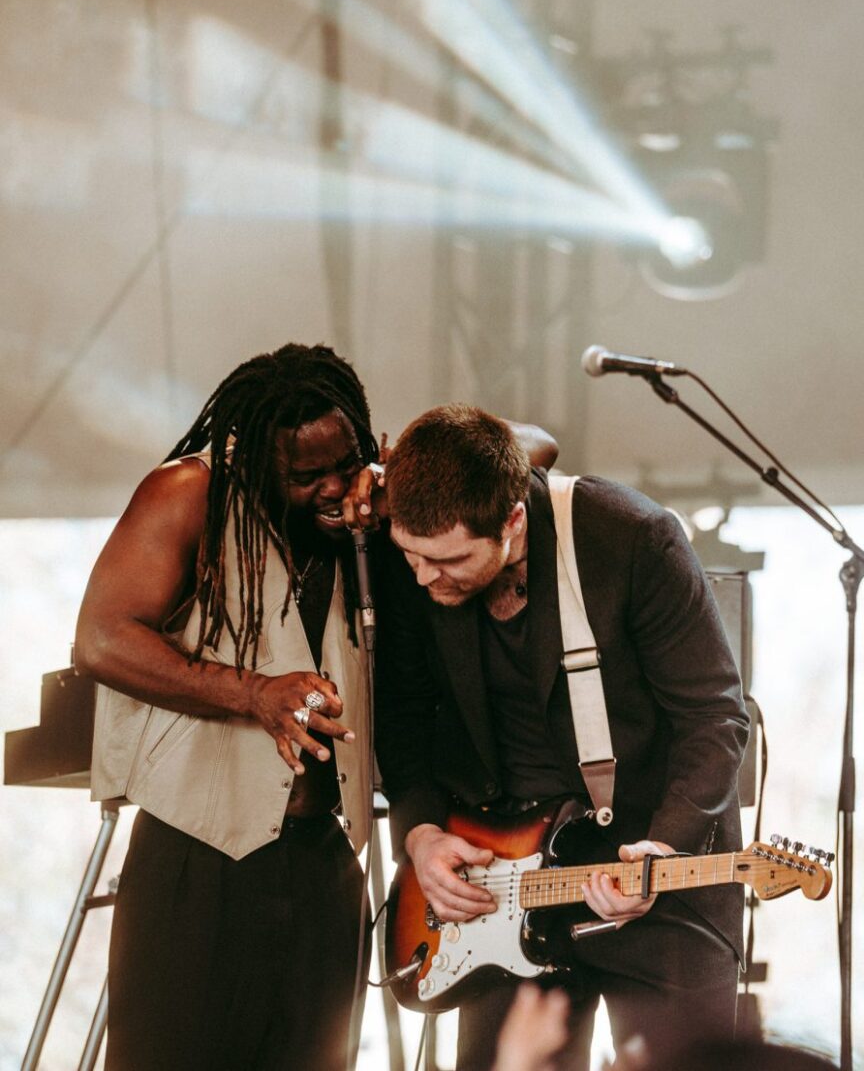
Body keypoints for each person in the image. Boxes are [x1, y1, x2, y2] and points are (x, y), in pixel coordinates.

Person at [75, 346, 557, 1070]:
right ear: (255, 460)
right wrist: (252, 692)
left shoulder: (375, 505)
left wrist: (398, 475)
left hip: (322, 858)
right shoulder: (188, 493)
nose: (333, 488)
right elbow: (102, 637)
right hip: (198, 859)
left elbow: (535, 446)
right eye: (306, 477)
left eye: (346, 462)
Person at [374, 404, 750, 1071]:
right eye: (413, 559)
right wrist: (422, 834)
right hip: (504, 890)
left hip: (652, 868)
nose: (428, 578)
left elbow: (714, 718)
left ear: (512, 520)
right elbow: (402, 718)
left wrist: (662, 846)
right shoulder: (419, 558)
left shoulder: (632, 538)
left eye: (452, 560)